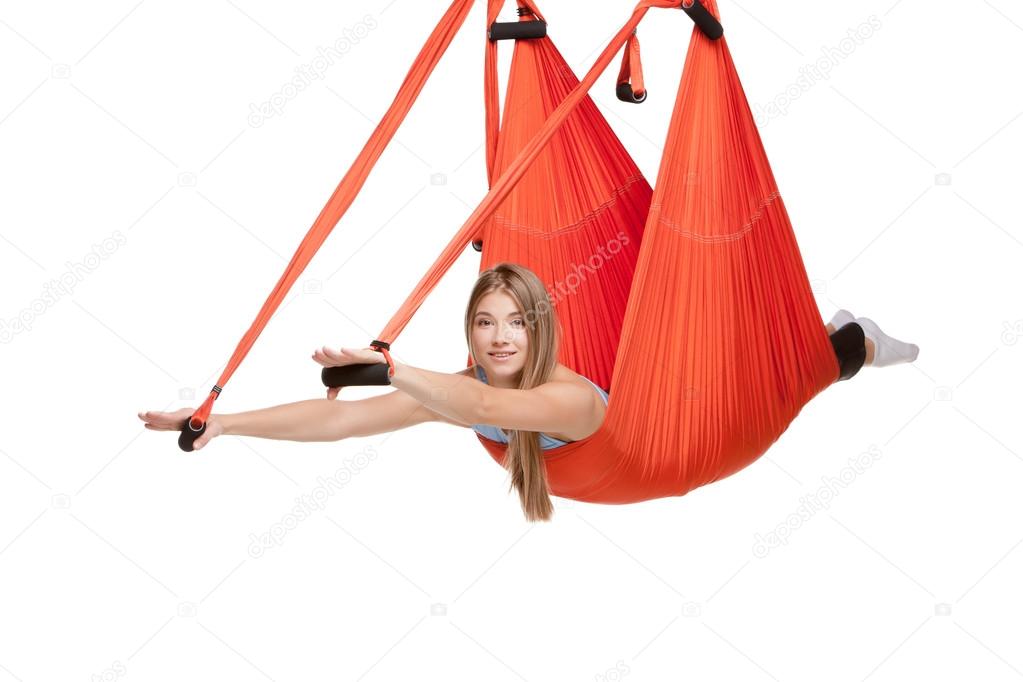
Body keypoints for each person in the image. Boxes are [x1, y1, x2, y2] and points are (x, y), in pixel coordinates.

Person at [138, 263, 918, 521]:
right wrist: (222, 423)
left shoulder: (567, 399)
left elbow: (483, 410)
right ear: (471, 331)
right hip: (662, 408)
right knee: (777, 360)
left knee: (801, 371)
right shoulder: (466, 381)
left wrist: (392, 366)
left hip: (700, 433)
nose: (499, 338)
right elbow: (341, 424)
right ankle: (836, 341)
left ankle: (856, 341)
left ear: (538, 329)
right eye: (483, 323)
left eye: (515, 323)